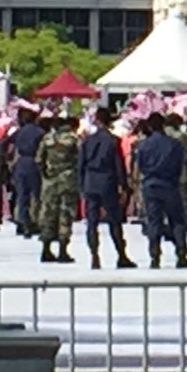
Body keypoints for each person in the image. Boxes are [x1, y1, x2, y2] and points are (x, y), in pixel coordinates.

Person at [78, 109, 135, 270]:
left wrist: (81, 184)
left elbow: (81, 165)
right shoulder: (113, 141)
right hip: (107, 181)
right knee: (114, 220)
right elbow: (118, 165)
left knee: (92, 222)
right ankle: (121, 255)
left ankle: (94, 255)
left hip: (90, 180)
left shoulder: (87, 141)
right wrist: (124, 185)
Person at [134, 116, 187, 270]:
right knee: (177, 220)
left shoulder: (143, 145)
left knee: (154, 221)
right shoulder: (175, 144)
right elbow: (181, 165)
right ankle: (181, 254)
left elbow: (140, 166)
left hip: (150, 185)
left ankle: (155, 257)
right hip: (170, 184)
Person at [36, 116, 80, 264]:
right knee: (66, 213)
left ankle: (46, 249)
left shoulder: (47, 138)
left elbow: (39, 160)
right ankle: (63, 250)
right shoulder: (73, 139)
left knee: (48, 213)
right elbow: (80, 159)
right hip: (68, 180)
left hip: (50, 181)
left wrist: (46, 175)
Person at [7, 105, 44, 237]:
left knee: (22, 195)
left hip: (20, 162)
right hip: (34, 162)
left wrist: (9, 161)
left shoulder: (18, 132)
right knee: (36, 195)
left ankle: (22, 222)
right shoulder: (40, 132)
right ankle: (34, 222)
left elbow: (6, 145)